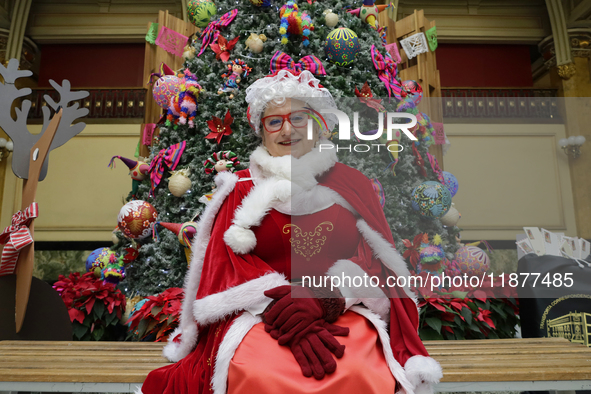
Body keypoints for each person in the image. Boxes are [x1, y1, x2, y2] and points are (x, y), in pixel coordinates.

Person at [138, 69, 442, 394]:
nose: (286, 129)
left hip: (345, 309)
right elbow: (225, 263)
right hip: (260, 316)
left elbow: (377, 261)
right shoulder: (240, 189)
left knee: (355, 369)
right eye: (274, 121)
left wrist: (324, 298)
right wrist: (281, 312)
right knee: (258, 373)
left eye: (297, 118)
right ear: (262, 131)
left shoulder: (354, 185)